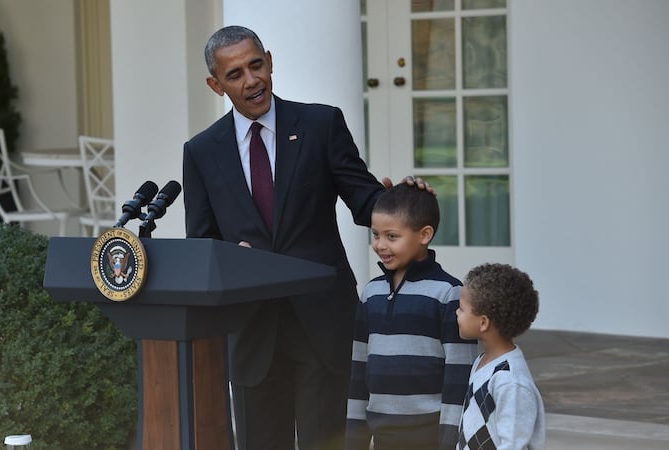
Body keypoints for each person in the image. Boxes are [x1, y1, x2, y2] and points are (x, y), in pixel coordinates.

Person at [183, 25, 428, 450]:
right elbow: (202, 244)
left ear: (270, 62)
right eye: (235, 74)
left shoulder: (320, 124)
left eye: (256, 65)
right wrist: (228, 257)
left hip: (324, 323)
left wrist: (404, 205)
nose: (251, 80)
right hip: (252, 333)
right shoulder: (201, 151)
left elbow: (364, 198)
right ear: (215, 85)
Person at [345, 183, 478, 450]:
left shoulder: (448, 293)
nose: (380, 245)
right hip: (381, 433)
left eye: (392, 236)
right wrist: (354, 438)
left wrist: (449, 440)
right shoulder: (371, 293)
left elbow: (459, 373)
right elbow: (359, 369)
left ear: (424, 234)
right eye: (376, 235)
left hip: (429, 435)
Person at [455, 263, 545, 450]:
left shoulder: (510, 382)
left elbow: (513, 444)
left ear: (483, 322)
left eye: (461, 309)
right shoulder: (482, 361)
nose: (457, 313)